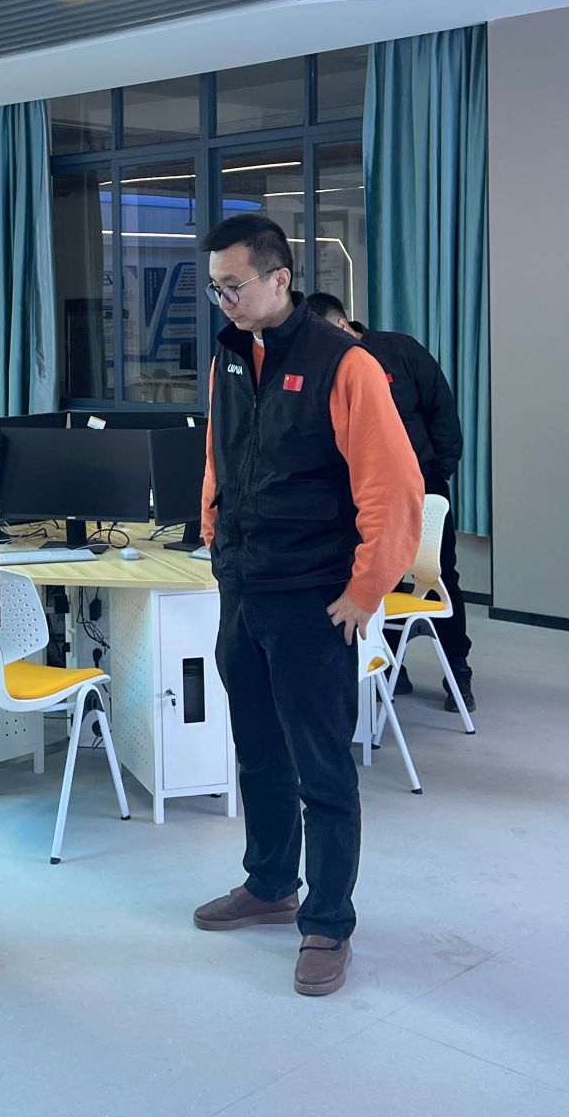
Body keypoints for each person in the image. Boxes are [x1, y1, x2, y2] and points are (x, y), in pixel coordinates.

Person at [194, 216, 423, 998]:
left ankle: (327, 921)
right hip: (244, 588)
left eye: (234, 286)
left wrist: (366, 591)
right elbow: (221, 456)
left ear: (281, 279)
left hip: (313, 600)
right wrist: (215, 538)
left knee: (321, 769)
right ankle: (269, 884)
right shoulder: (230, 357)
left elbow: (394, 488)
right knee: (258, 752)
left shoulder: (344, 365)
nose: (224, 301)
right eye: (215, 289)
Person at [305, 292, 472, 709]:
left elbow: (443, 413)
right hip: (359, 495)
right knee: (377, 577)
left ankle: (458, 672)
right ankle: (392, 669)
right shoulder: (324, 367)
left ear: (342, 325)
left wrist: (436, 475)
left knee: (440, 576)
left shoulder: (400, 351)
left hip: (422, 487)